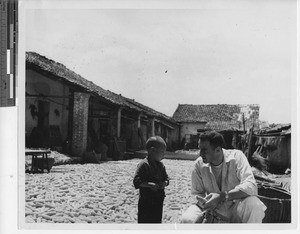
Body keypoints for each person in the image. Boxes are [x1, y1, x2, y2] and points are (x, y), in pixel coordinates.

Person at [180, 131, 266, 223]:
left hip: (235, 210)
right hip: (211, 210)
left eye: (204, 150)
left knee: (254, 205)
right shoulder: (198, 164)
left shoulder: (237, 157)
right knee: (187, 219)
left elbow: (251, 186)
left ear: (218, 149)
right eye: (199, 149)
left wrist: (222, 196)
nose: (200, 154)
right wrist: (205, 205)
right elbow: (197, 194)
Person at [133, 136, 169, 223]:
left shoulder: (161, 166)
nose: (164, 155)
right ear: (152, 150)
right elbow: (136, 181)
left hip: (158, 200)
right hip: (146, 201)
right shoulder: (143, 165)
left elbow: (167, 178)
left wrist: (164, 183)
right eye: (162, 152)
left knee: (156, 222)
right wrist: (149, 185)